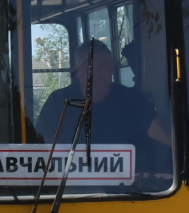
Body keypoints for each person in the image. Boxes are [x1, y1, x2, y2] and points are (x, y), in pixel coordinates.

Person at [35, 39, 167, 178]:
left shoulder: (130, 99)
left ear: (111, 68)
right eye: (89, 67)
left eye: (103, 66)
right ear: (77, 72)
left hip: (128, 188)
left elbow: (159, 131)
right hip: (71, 188)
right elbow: (41, 148)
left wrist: (186, 140)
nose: (96, 73)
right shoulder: (58, 102)